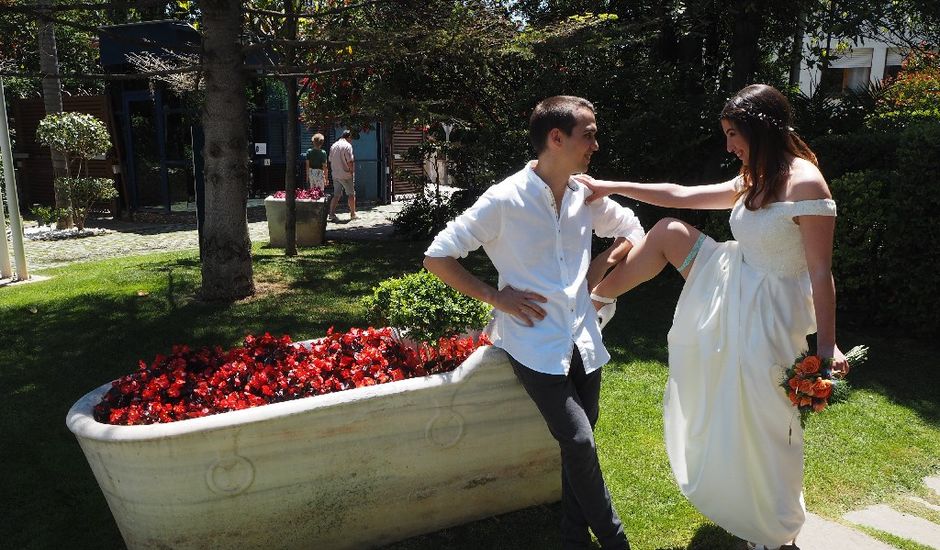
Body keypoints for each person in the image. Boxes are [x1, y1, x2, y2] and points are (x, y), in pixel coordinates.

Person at [578, 84, 849, 550]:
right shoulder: (756, 175)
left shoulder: (806, 183)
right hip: (735, 277)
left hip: (771, 311)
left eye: (733, 134)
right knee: (667, 231)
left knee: (764, 420)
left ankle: (775, 528)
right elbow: (681, 194)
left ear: (760, 128)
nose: (729, 146)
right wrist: (609, 186)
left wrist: (827, 347)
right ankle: (595, 304)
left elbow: (821, 271)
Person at [424, 95, 644, 550]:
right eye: (589, 134)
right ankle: (615, 541)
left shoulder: (585, 192)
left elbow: (632, 229)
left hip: (584, 337)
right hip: (533, 343)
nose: (595, 145)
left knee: (576, 450)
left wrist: (600, 266)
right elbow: (437, 254)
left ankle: (571, 539)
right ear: (556, 138)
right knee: (580, 443)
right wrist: (495, 296)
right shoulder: (505, 199)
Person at [328, 129, 356, 221]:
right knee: (351, 194)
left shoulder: (334, 145)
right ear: (349, 137)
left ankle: (331, 213)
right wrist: (352, 172)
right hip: (346, 174)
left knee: (336, 194)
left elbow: (330, 159)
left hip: (335, 173)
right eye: (351, 138)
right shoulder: (348, 146)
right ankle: (352, 214)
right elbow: (350, 161)